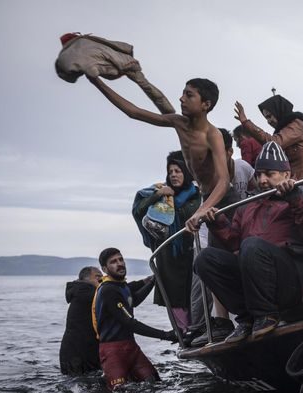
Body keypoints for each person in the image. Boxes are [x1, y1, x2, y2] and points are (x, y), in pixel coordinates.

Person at [193, 142, 303, 343]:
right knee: (205, 259)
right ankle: (247, 319)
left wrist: (295, 197)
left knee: (252, 245)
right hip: (255, 276)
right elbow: (234, 242)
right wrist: (216, 222)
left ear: (286, 174)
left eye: (269, 174)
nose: (262, 180)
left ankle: (266, 315)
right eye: (258, 175)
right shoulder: (248, 204)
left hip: (293, 276)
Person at [87, 76, 230, 234]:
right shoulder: (179, 123)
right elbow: (134, 112)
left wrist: (201, 210)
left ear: (206, 104)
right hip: (204, 197)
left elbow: (224, 181)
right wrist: (96, 81)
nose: (181, 99)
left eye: (189, 95)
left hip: (221, 198)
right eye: (183, 94)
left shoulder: (212, 135)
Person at [132, 151, 200, 332]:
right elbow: (138, 211)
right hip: (168, 255)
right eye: (171, 172)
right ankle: (184, 332)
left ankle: (199, 327)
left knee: (193, 292)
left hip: (189, 251)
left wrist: (174, 205)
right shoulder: (160, 192)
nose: (174, 175)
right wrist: (158, 195)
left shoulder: (196, 195)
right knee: (174, 295)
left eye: (178, 170)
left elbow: (190, 214)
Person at [93, 248, 174, 390]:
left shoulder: (120, 286)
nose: (119, 264)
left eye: (120, 259)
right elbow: (130, 323)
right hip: (113, 352)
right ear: (105, 269)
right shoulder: (108, 290)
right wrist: (166, 335)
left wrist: (153, 281)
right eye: (113, 262)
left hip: (131, 348)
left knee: (155, 384)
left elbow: (133, 300)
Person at [234, 95, 303, 202]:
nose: (269, 121)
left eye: (270, 116)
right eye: (266, 118)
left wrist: (246, 123)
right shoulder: (289, 128)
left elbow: (274, 142)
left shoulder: (296, 125)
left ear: (278, 111)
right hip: (297, 183)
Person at [59, 266, 103, 375]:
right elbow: (116, 295)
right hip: (76, 354)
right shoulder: (86, 293)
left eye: (102, 277)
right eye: (98, 277)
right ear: (85, 279)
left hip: (77, 351)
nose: (102, 280)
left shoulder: (83, 292)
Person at [220, 128, 256, 201]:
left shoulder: (243, 166)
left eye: (217, 153)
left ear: (230, 151)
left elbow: (258, 190)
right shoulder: (209, 177)